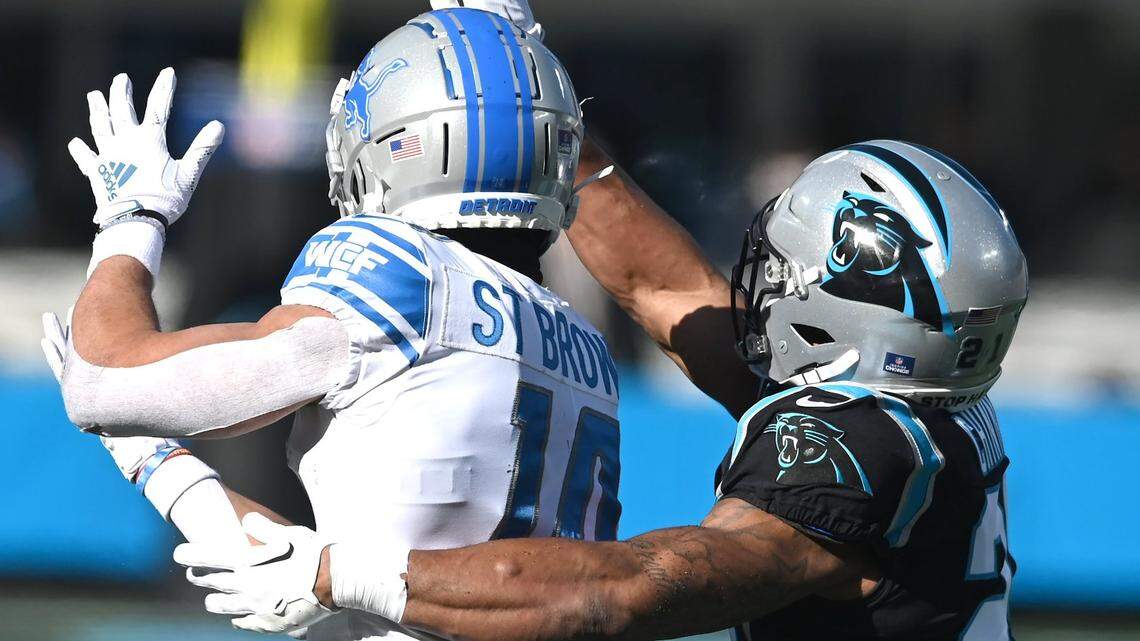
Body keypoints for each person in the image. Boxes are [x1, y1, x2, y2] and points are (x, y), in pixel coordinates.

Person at [172, 9, 1027, 634]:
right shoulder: (914, 400)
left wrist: (345, 571)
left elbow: (622, 592)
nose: (763, 276)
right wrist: (536, 116)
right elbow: (667, 288)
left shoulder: (856, 453)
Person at [52, 7, 622, 640]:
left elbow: (102, 379)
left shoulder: (402, 272)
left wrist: (131, 222)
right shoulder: (582, 344)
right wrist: (149, 455)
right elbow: (301, 576)